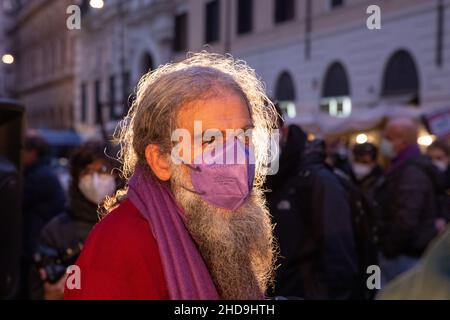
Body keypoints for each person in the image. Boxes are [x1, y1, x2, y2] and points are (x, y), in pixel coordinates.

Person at [65, 52, 277, 300]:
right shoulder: (119, 246)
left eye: (244, 136)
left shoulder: (217, 227)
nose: (236, 157)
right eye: (209, 139)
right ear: (161, 160)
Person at [265, 107, 359, 299]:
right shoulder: (259, 179)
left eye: (265, 130)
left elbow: (339, 259)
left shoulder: (317, 181)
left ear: (283, 131)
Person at [30, 140, 118, 300]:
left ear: (117, 173)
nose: (95, 179)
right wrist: (49, 294)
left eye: (103, 169)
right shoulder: (55, 231)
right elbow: (36, 288)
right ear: (76, 178)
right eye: (86, 172)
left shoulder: (131, 225)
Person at [376, 118, 440, 284]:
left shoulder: (410, 172)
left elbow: (406, 217)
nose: (384, 143)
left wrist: (389, 248)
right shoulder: (403, 167)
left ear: (401, 140)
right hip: (405, 253)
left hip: (404, 255)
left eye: (388, 138)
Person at [20, 133, 66, 298]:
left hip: (35, 242)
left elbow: (20, 198)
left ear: (33, 152)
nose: (21, 155)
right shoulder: (41, 172)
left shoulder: (40, 176)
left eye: (24, 150)